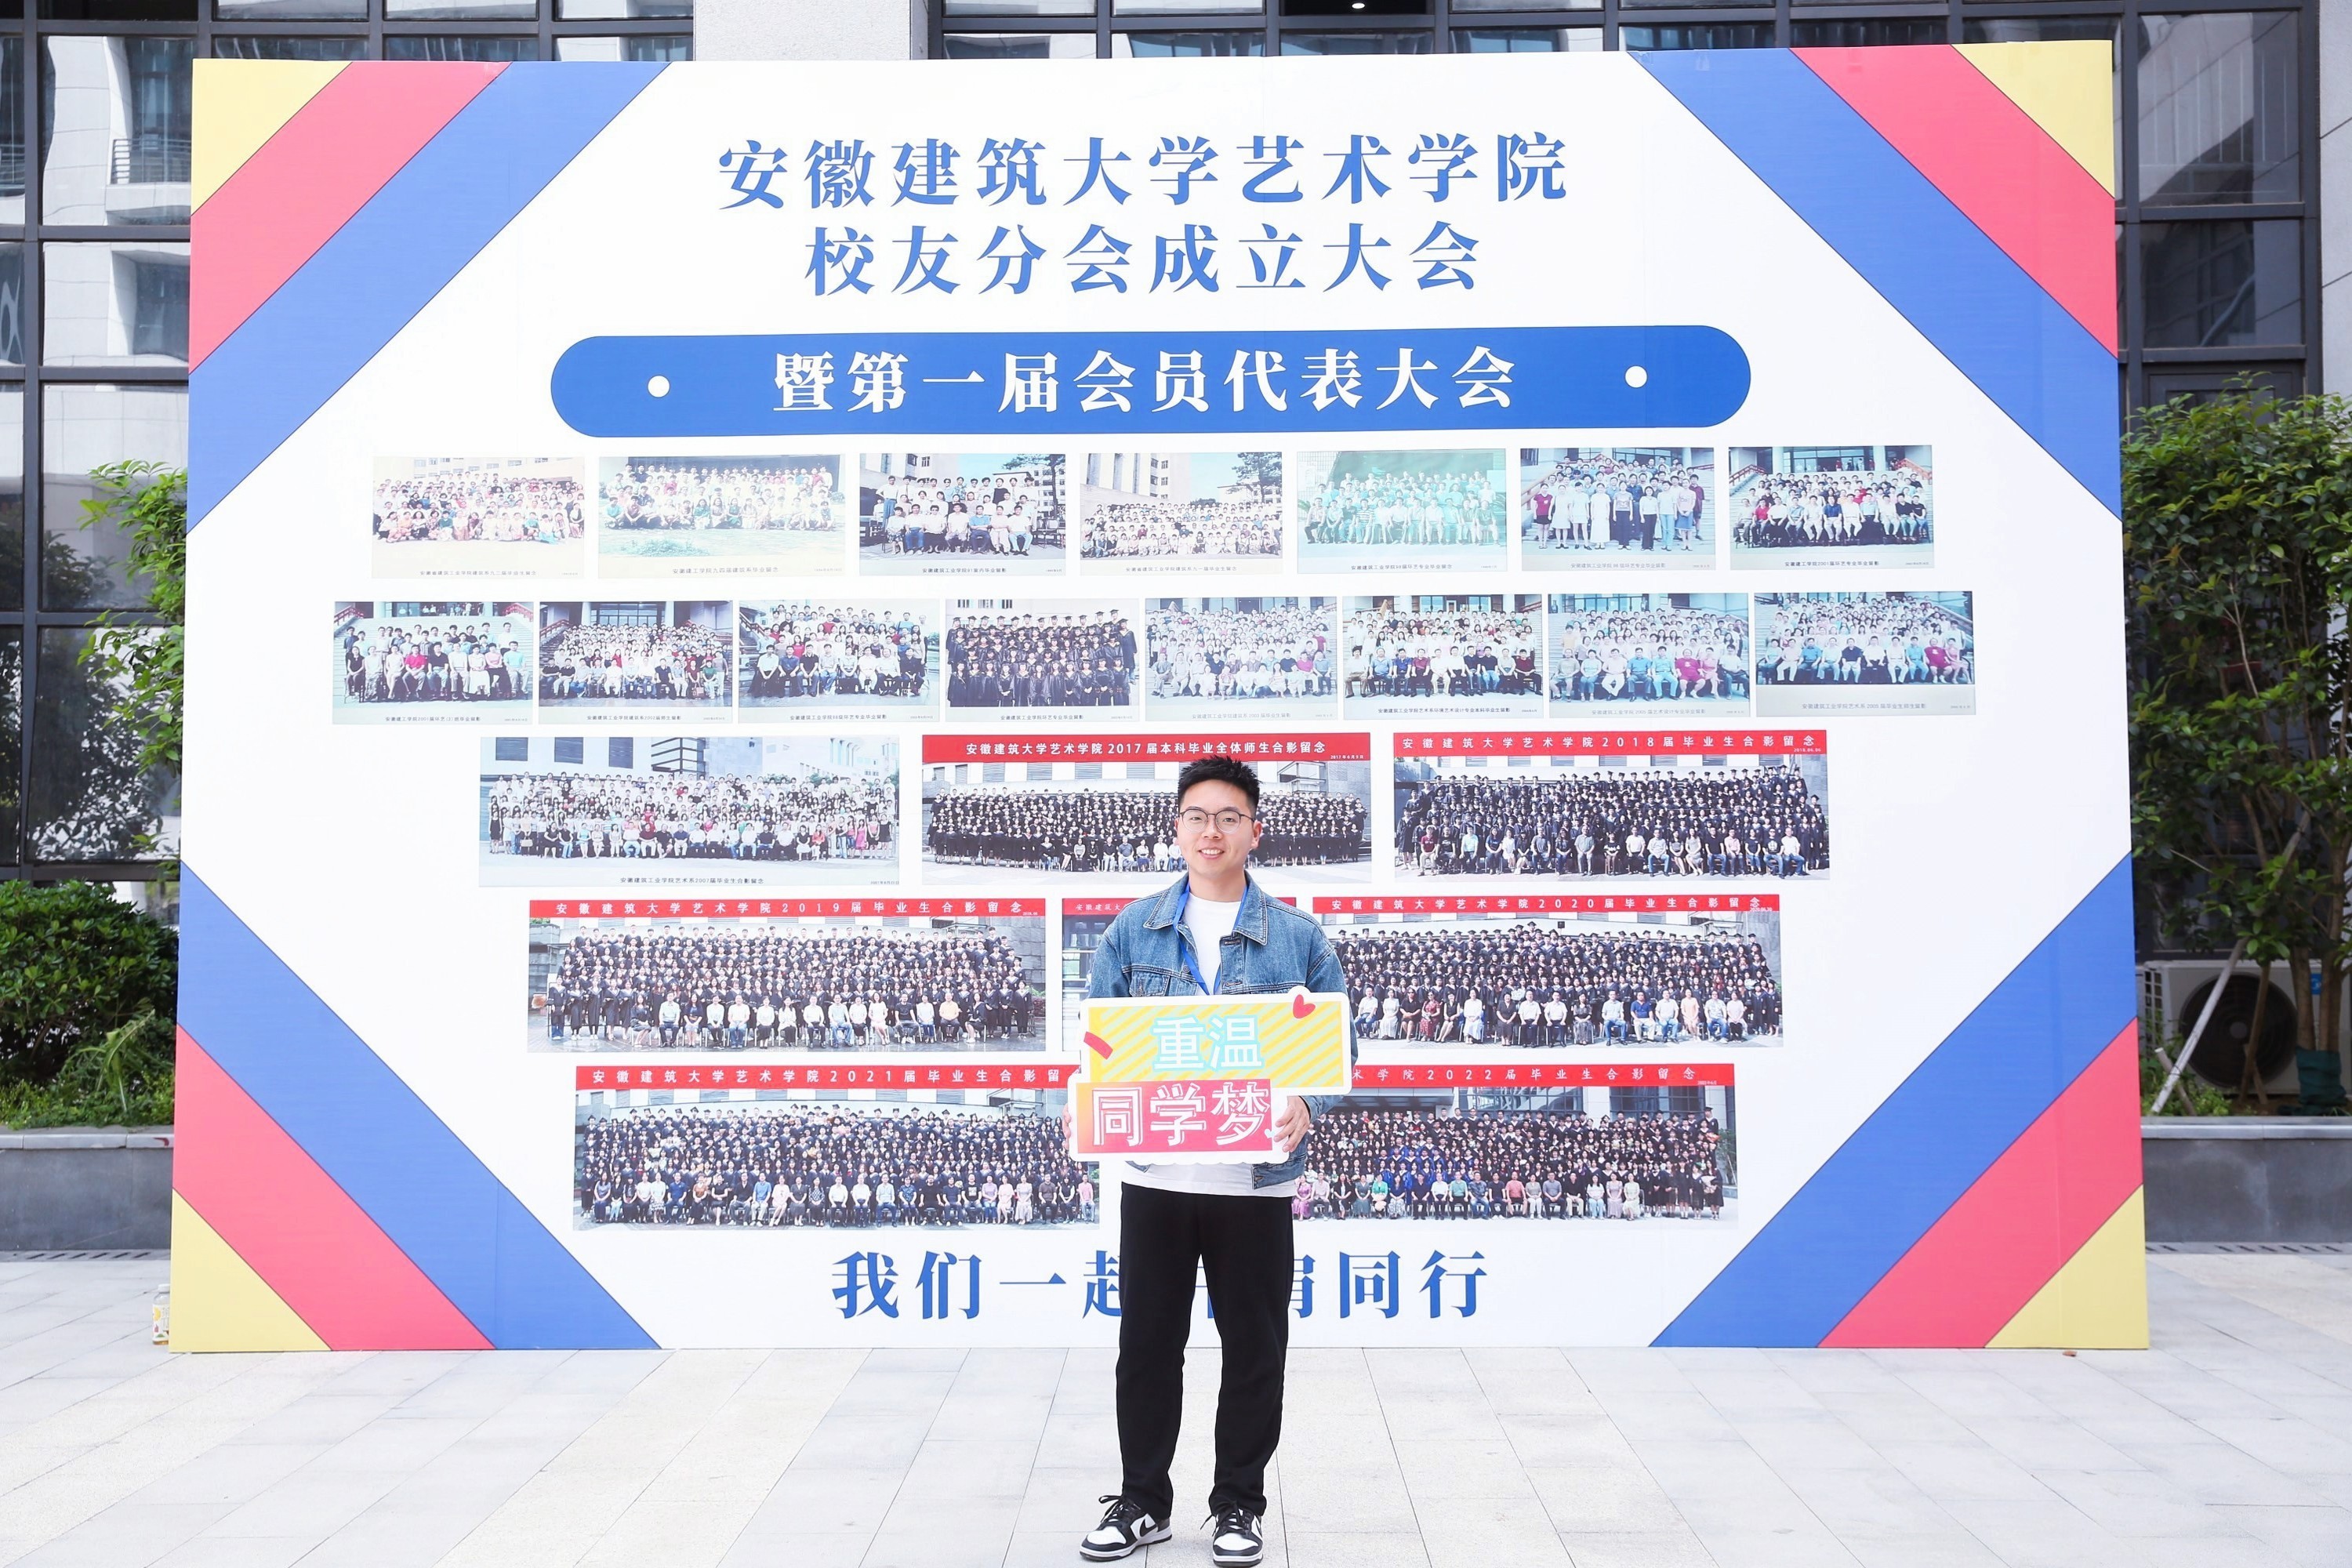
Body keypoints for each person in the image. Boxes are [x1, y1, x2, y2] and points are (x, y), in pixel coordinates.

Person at [1080, 756, 1347, 1568]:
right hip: (1157, 1175)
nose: (1211, 831)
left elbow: (1338, 1048)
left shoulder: (1298, 936)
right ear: (1177, 828)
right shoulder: (1133, 929)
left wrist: (1309, 1100)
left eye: (1229, 817)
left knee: (1254, 1349)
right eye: (1197, 816)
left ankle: (1238, 1504)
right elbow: (1100, 1040)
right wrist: (1084, 1091)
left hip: (1254, 1181)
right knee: (1147, 1344)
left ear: (1254, 830)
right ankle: (1142, 1500)